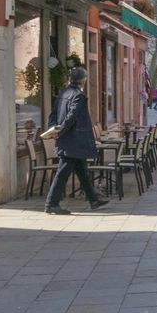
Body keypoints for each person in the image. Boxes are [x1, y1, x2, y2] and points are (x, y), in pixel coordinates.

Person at [44, 67, 109, 215]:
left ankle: (93, 199)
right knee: (62, 172)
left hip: (66, 139)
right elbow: (71, 118)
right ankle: (51, 203)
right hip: (74, 140)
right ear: (83, 80)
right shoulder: (78, 96)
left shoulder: (63, 94)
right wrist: (59, 132)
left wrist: (53, 129)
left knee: (82, 171)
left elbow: (53, 115)